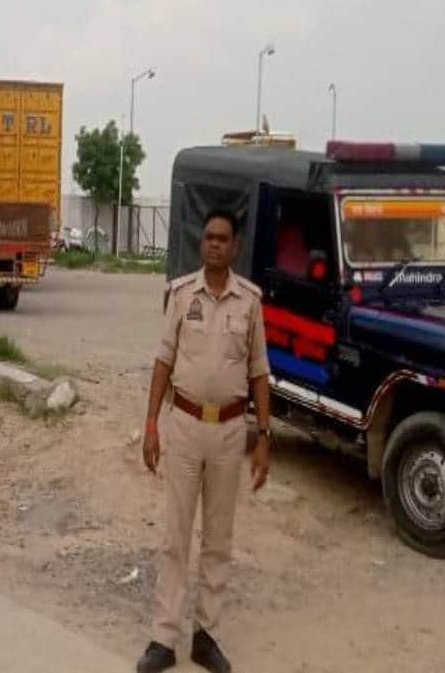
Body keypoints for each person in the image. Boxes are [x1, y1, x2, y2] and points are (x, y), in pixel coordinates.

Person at [137, 209, 271, 673]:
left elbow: (259, 373)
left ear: (234, 247)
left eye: (223, 238)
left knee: (218, 538)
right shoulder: (179, 294)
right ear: (202, 244)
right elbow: (161, 361)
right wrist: (151, 423)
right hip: (187, 425)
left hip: (231, 431)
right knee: (175, 534)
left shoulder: (249, 302)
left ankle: (206, 636)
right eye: (208, 237)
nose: (214, 244)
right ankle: (163, 637)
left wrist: (265, 438)